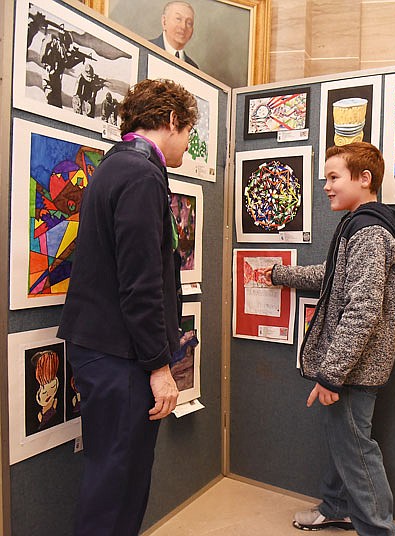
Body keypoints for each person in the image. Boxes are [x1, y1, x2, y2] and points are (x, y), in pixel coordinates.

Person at [57, 79, 199, 536]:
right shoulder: (140, 175)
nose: (188, 144)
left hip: (109, 348)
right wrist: (158, 368)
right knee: (117, 481)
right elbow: (140, 283)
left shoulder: (117, 166)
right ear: (172, 121)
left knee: (117, 476)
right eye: (188, 132)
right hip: (120, 356)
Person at [263, 142, 395, 535]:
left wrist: (332, 374)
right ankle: (337, 507)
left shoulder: (368, 232)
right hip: (353, 363)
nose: (327, 187)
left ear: (364, 179)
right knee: (344, 441)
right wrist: (281, 275)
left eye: (334, 177)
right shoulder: (359, 225)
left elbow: (363, 309)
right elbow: (333, 276)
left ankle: (378, 530)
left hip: (354, 367)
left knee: (357, 451)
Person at [150, 1, 198, 68]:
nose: (183, 27)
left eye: (189, 23)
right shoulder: (146, 49)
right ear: (164, 21)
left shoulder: (193, 67)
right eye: (178, 19)